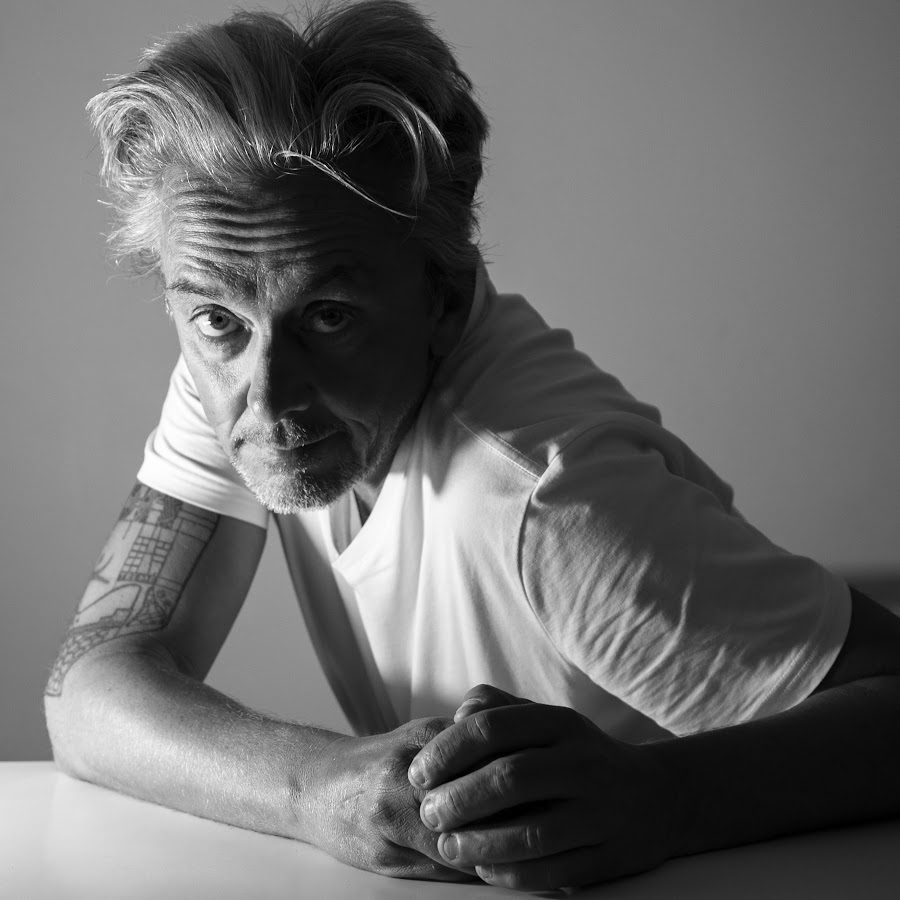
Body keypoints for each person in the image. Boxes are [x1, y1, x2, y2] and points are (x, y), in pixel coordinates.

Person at [44, 1, 900, 892]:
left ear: (443, 298)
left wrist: (662, 798)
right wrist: (312, 789)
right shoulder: (243, 364)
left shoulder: (552, 500)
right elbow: (88, 692)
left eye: (329, 316)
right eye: (217, 318)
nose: (266, 396)